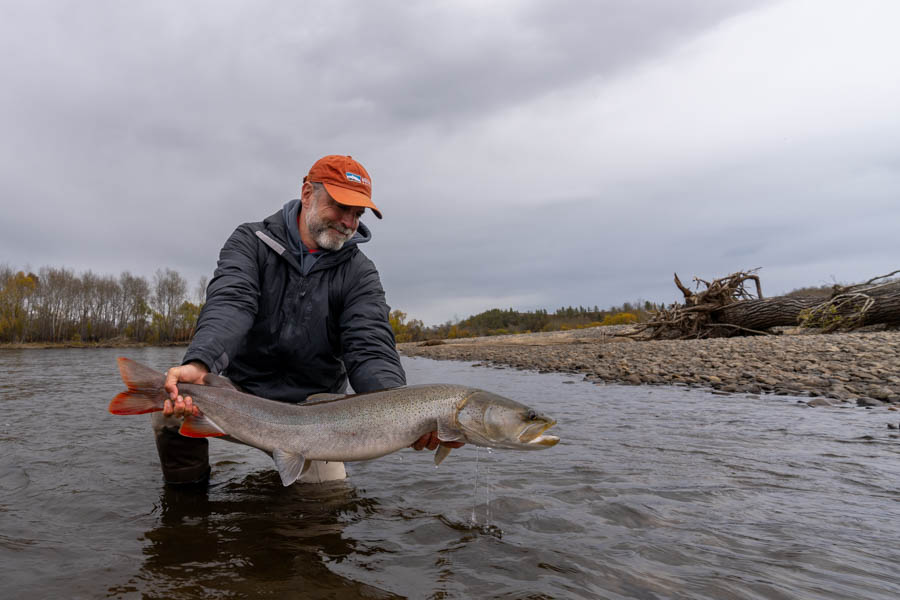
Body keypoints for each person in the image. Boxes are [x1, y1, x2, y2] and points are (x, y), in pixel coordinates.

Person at [155, 155, 461, 485]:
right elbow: (232, 303)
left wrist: (405, 415)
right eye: (341, 206)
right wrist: (201, 363)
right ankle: (188, 512)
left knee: (321, 517)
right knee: (169, 408)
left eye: (357, 214)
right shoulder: (250, 243)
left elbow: (370, 347)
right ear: (307, 193)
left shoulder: (359, 273)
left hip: (318, 420)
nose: (349, 222)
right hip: (242, 398)